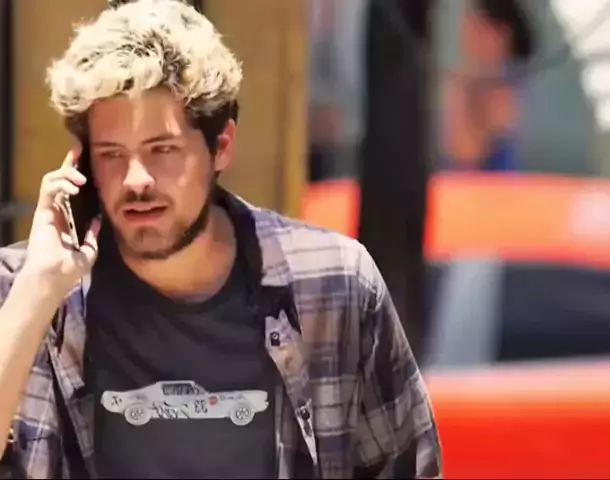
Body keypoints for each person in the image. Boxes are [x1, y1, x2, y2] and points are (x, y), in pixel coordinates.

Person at [0, 0, 441, 478]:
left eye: (162, 149)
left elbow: (409, 467)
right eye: (112, 154)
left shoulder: (334, 286)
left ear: (221, 146)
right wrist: (38, 288)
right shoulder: (25, 296)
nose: (136, 179)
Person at [442, 0, 535, 171]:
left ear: (502, 35)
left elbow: (464, 157)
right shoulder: (474, 80)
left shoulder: (502, 91)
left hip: (488, 184)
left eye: (477, 24)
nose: (467, 29)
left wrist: (461, 89)